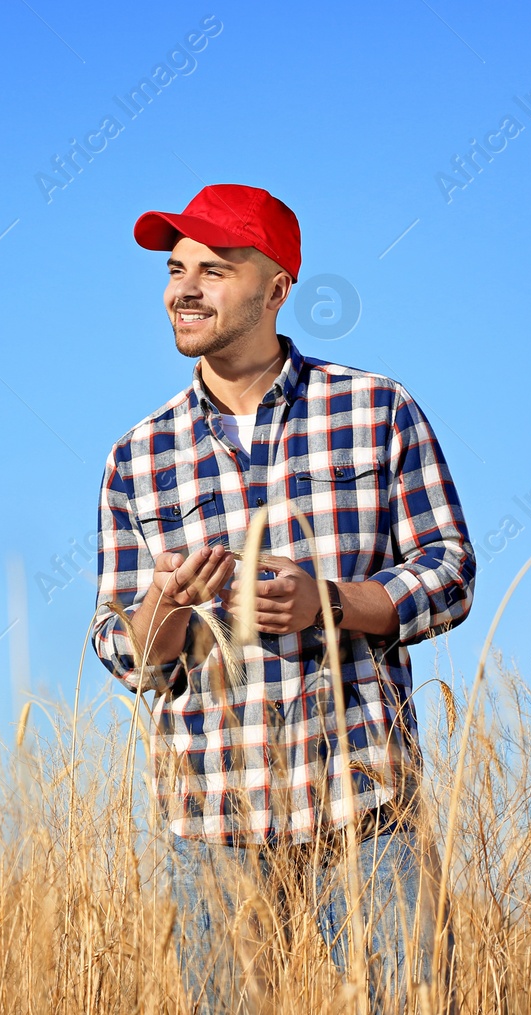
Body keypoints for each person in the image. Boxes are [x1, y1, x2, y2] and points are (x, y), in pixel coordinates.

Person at [88, 184, 476, 1011]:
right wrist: (162, 605)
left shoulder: (376, 409)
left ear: (277, 288)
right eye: (175, 268)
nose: (184, 288)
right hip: (211, 820)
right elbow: (125, 652)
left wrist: (327, 603)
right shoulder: (137, 456)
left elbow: (449, 571)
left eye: (214, 269)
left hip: (365, 807)